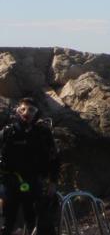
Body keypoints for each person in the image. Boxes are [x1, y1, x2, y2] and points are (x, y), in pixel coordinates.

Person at [0, 98, 59, 235]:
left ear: (37, 113)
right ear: (17, 111)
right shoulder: (7, 133)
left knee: (41, 224)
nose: (27, 113)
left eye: (31, 110)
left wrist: (53, 182)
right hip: (10, 182)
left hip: (35, 182)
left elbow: (54, 159)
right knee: (6, 224)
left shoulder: (43, 133)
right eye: (23, 109)